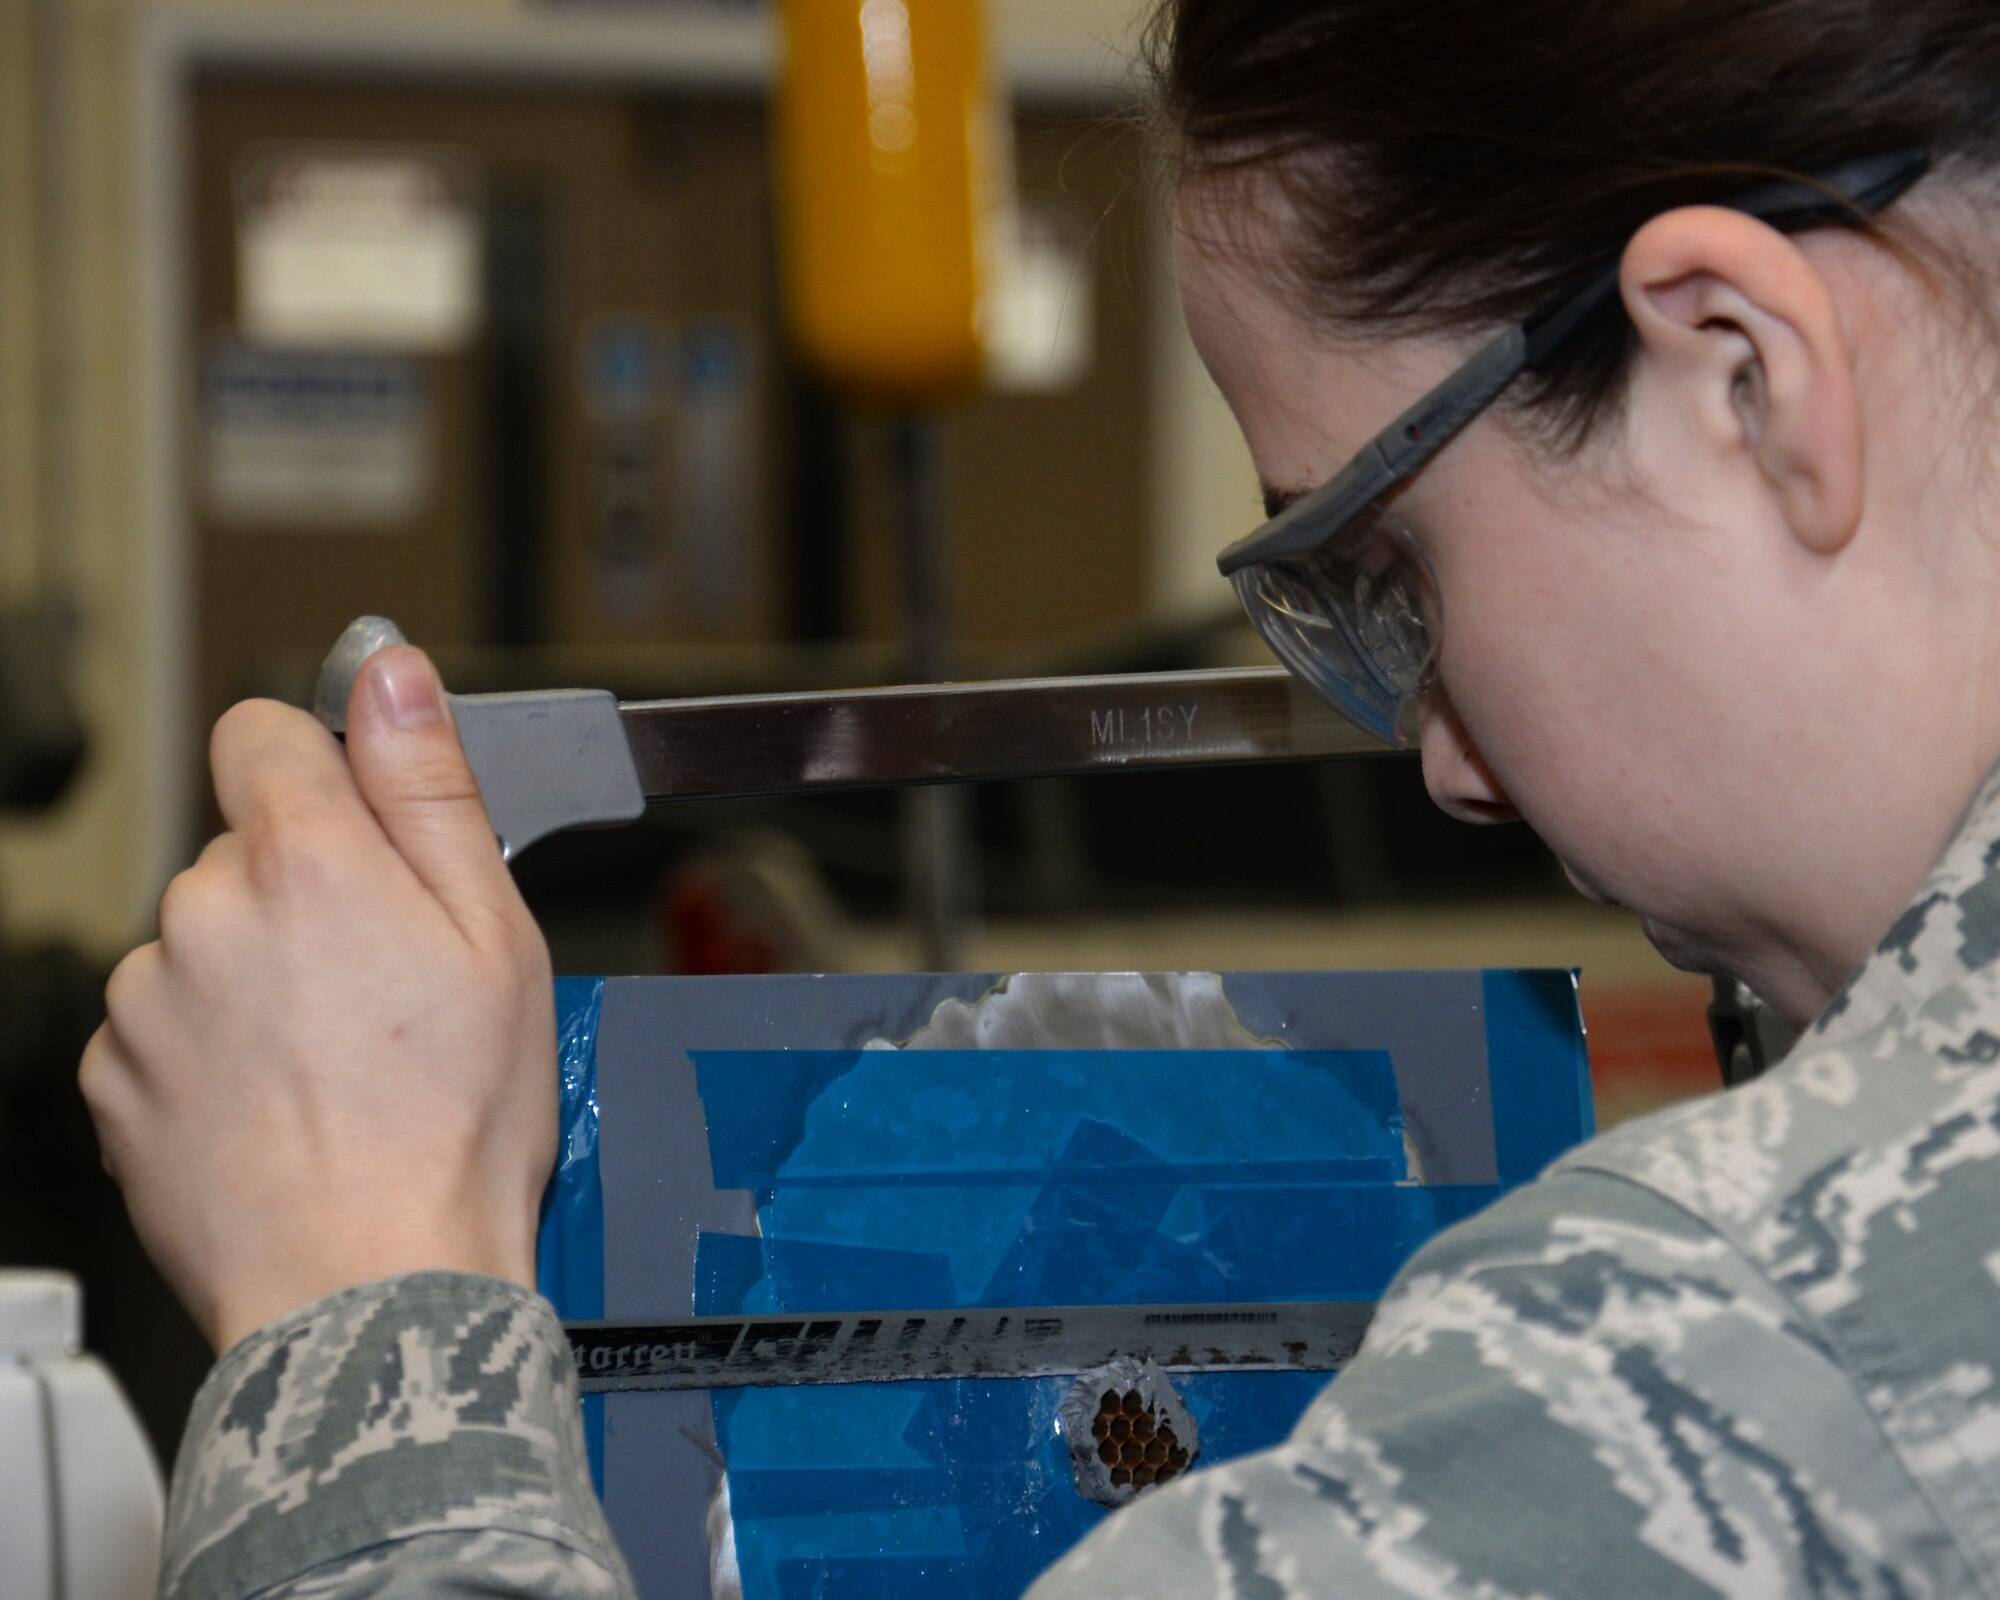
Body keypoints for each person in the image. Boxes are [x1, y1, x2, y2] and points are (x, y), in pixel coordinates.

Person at [84, 0, 2000, 1594]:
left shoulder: (1746, 1344)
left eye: (1385, 573)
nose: (1447, 763)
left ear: (1741, 376)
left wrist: (357, 1292)